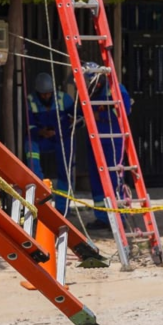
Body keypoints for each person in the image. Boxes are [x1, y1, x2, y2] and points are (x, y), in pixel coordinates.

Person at [85, 80, 132, 231]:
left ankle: (120, 217)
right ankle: (102, 217)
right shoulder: (90, 92)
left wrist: (101, 114)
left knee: (114, 178)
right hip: (94, 139)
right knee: (96, 179)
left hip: (112, 138)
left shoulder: (116, 88)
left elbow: (125, 109)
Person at [26, 72, 75, 214]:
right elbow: (28, 124)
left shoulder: (64, 99)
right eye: (43, 94)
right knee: (30, 150)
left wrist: (72, 122)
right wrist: (41, 132)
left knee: (66, 170)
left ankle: (62, 208)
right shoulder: (30, 101)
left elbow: (79, 117)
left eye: (48, 93)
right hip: (40, 138)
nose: (46, 97)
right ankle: (41, 202)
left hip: (61, 138)